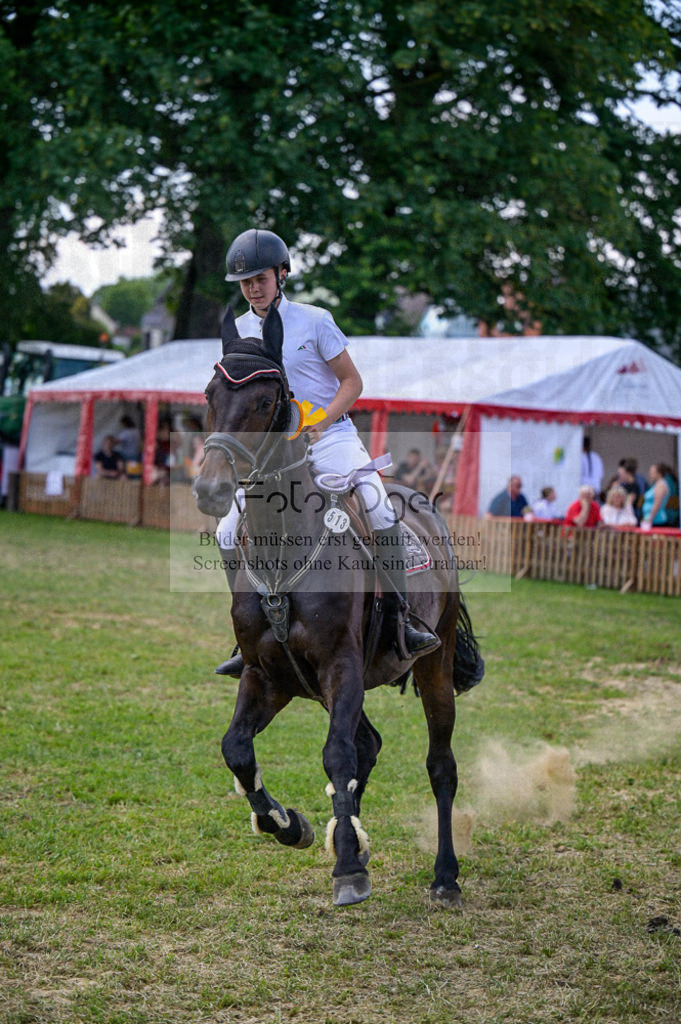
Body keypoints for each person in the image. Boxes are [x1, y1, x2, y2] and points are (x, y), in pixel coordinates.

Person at [215, 228, 438, 676]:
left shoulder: (315, 320)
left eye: (260, 278)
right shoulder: (239, 330)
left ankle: (401, 621)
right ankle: (246, 636)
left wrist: (317, 422)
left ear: (282, 273)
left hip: (329, 438)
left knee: (378, 509)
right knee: (224, 532)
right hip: (274, 454)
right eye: (244, 282)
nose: (253, 288)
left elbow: (352, 382)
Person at [640, 463, 679, 529]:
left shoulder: (661, 485)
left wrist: (649, 519)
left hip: (657, 520)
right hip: (650, 518)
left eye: (652, 472)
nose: (650, 474)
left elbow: (657, 504)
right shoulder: (656, 484)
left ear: (659, 473)